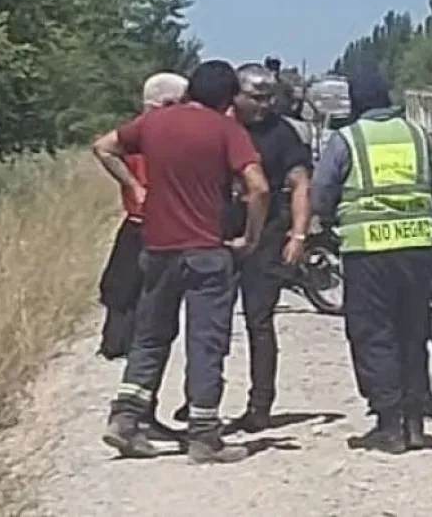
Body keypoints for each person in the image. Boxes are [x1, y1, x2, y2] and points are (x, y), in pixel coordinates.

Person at [92, 60, 270, 464]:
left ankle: (125, 419)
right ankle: (204, 436)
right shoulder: (227, 130)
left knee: (151, 336)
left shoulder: (155, 124)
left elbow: (103, 146)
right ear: (228, 98)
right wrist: (251, 237)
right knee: (205, 342)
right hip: (207, 251)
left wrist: (135, 186)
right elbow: (258, 188)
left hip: (157, 249)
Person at [311, 70, 432, 454]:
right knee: (413, 332)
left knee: (373, 334)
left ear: (356, 103)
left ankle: (389, 424)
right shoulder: (419, 136)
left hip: (368, 253)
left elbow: (322, 191)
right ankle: (415, 423)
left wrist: (322, 223)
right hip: (417, 251)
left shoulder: (349, 139)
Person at [171, 63, 312, 431]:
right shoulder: (220, 128)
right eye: (256, 98)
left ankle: (260, 404)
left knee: (259, 322)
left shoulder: (283, 135)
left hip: (267, 237)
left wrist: (298, 235)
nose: (264, 105)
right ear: (236, 95)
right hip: (218, 232)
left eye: (269, 98)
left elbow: (300, 184)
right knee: (209, 323)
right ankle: (199, 399)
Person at [95, 72, 187, 441]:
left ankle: (143, 413)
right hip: (149, 233)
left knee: (146, 324)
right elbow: (102, 147)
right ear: (167, 104)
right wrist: (136, 186)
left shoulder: (138, 133)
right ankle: (133, 415)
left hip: (140, 231)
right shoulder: (151, 132)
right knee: (150, 327)